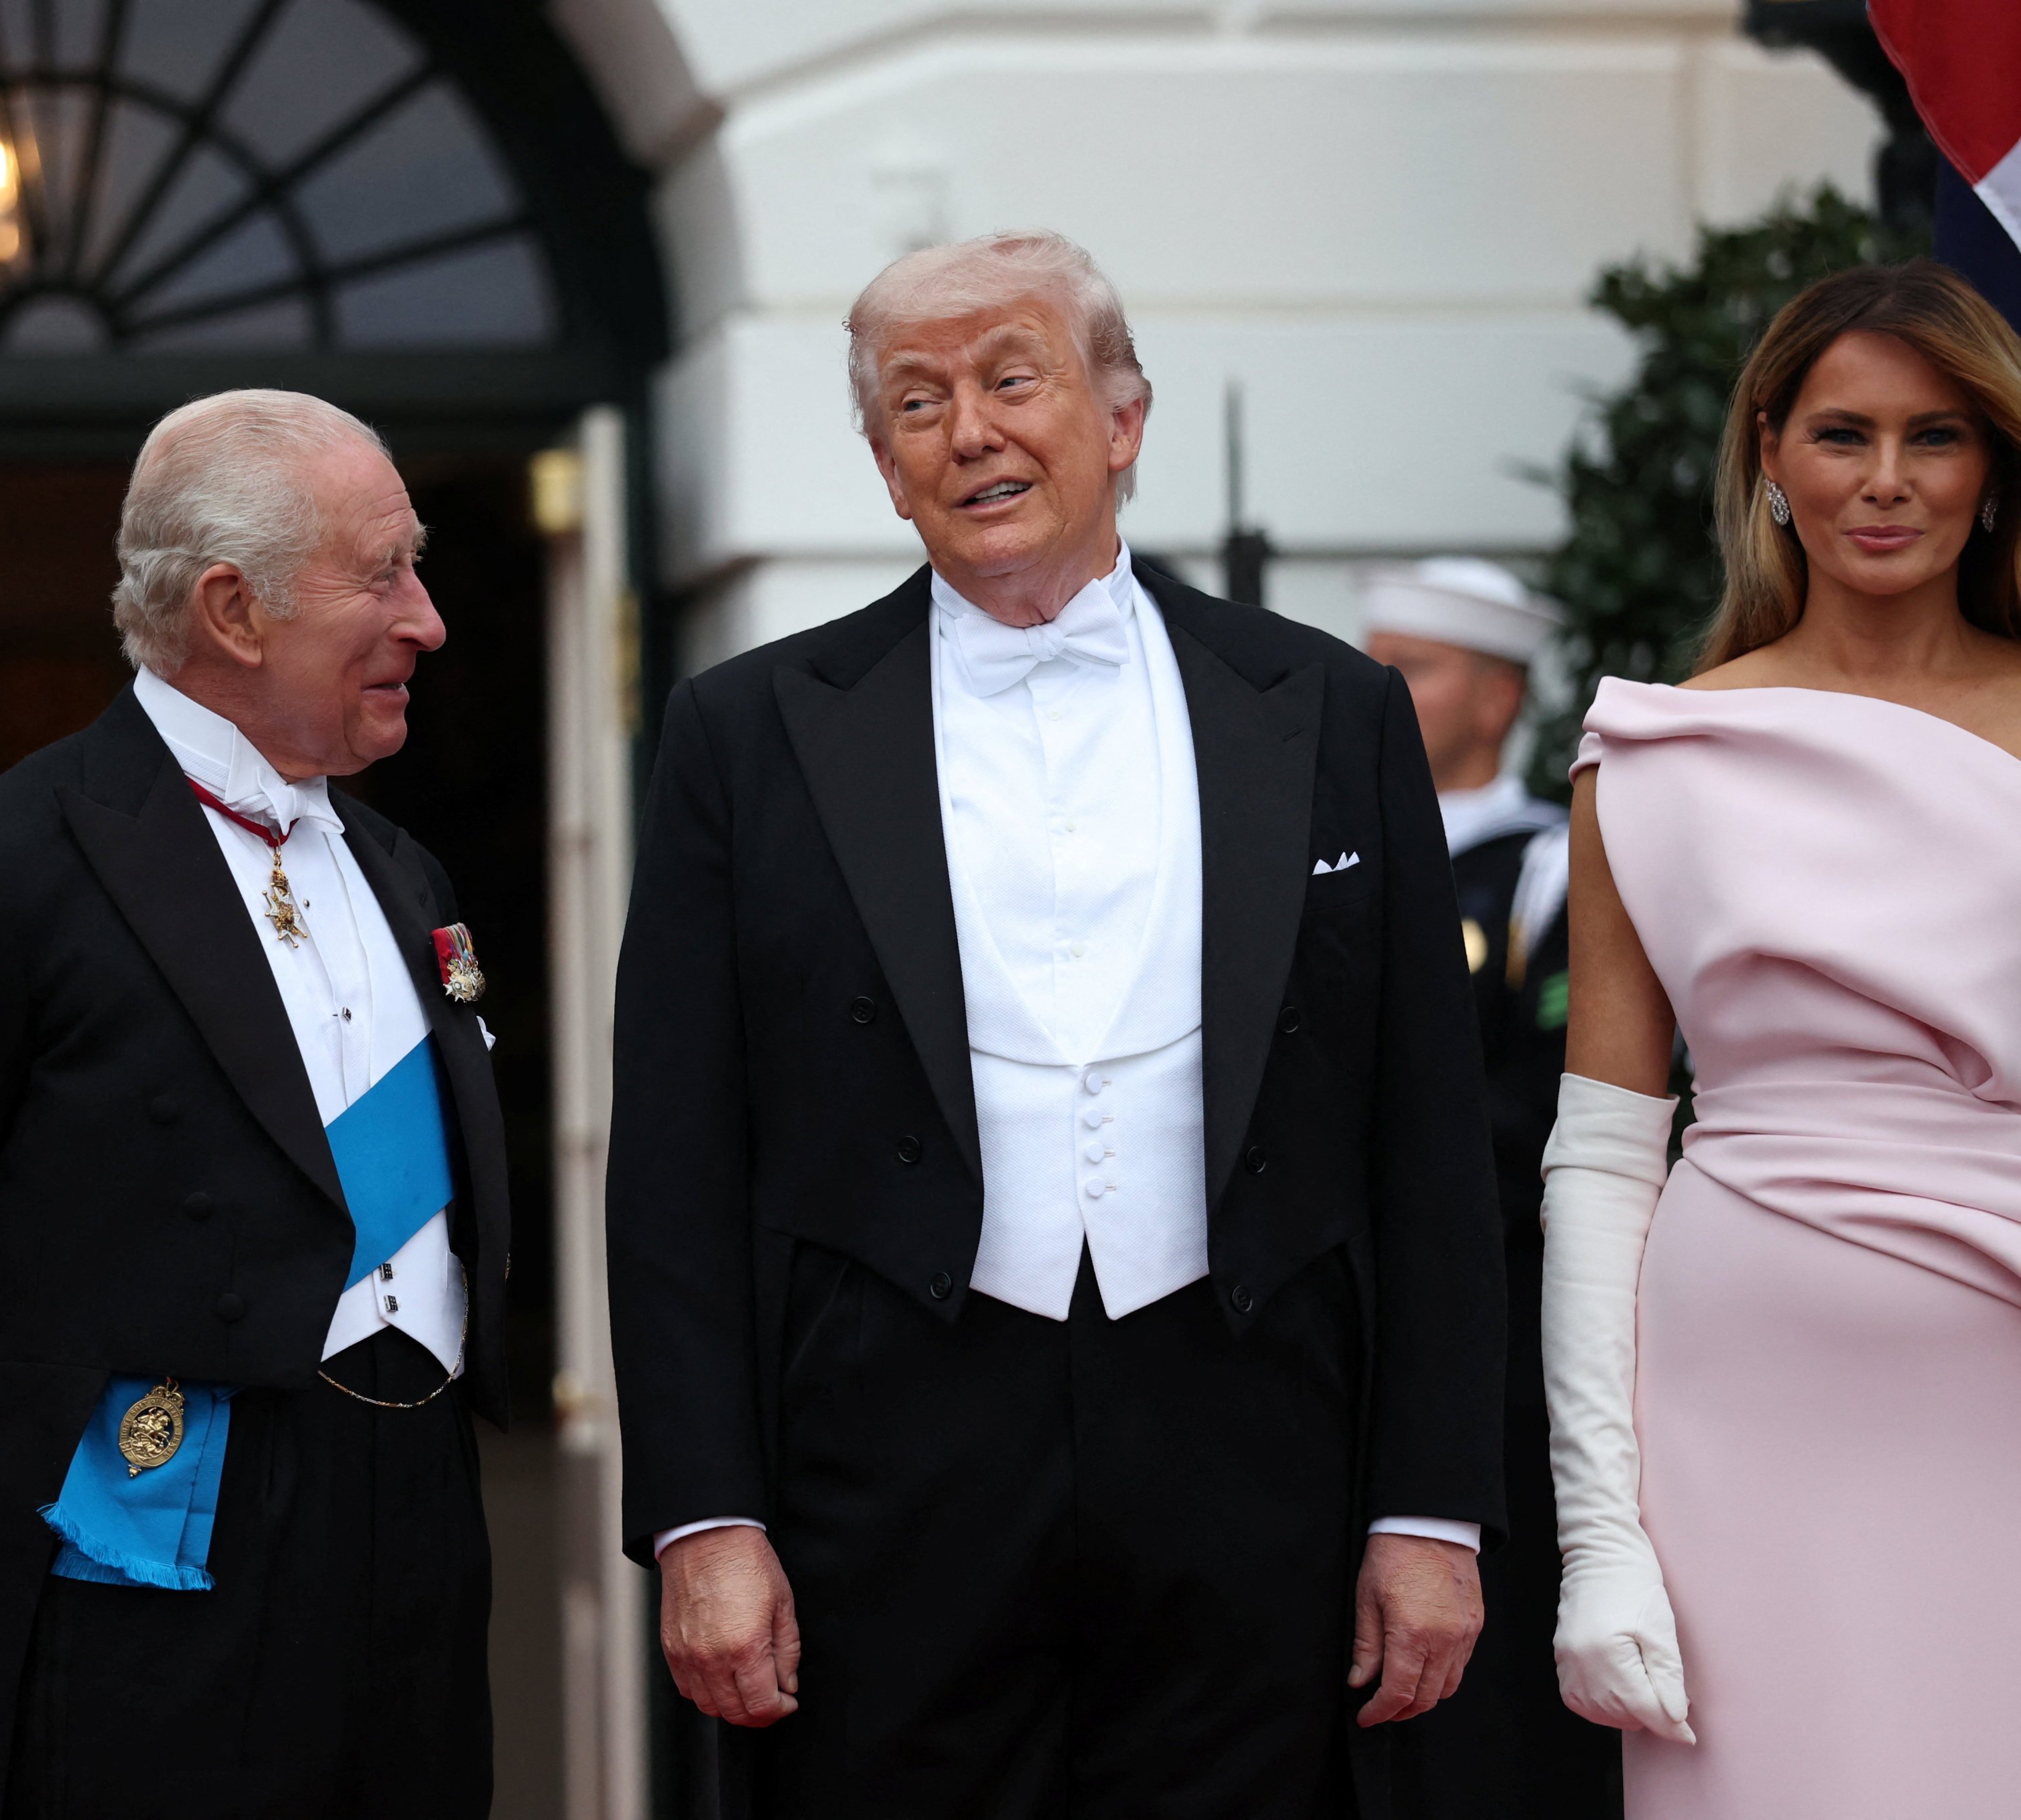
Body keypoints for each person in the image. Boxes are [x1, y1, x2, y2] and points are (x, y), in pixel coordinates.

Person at [605, 230, 1506, 1817]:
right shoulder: (743, 732)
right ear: (883, 464)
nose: (969, 432)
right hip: (882, 1461)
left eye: (1012, 380)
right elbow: (676, 1156)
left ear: (1124, 418)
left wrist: (1429, 1507)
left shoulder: (1329, 708)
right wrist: (704, 1516)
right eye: (916, 402)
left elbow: (1425, 1132)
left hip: (1254, 1441)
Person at [0, 389, 509, 1819]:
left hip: (414, 1527)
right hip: (145, 1582)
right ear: (233, 610)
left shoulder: (404, 871)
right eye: (382, 575)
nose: (427, 620)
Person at [1548, 259, 2021, 1817]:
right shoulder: (1657, 755)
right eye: (1841, 434)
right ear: (1768, 454)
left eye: (1935, 435)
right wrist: (1598, 1533)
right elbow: (1602, 1159)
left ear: (1992, 465)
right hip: (1739, 1414)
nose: (1887, 481)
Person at [1362, 563, 1619, 1819]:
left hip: (1505, 1315)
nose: (1375, 690)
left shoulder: (1549, 867)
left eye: (1410, 668)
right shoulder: (1319, 847)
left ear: (1499, 695)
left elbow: (1562, 1091)